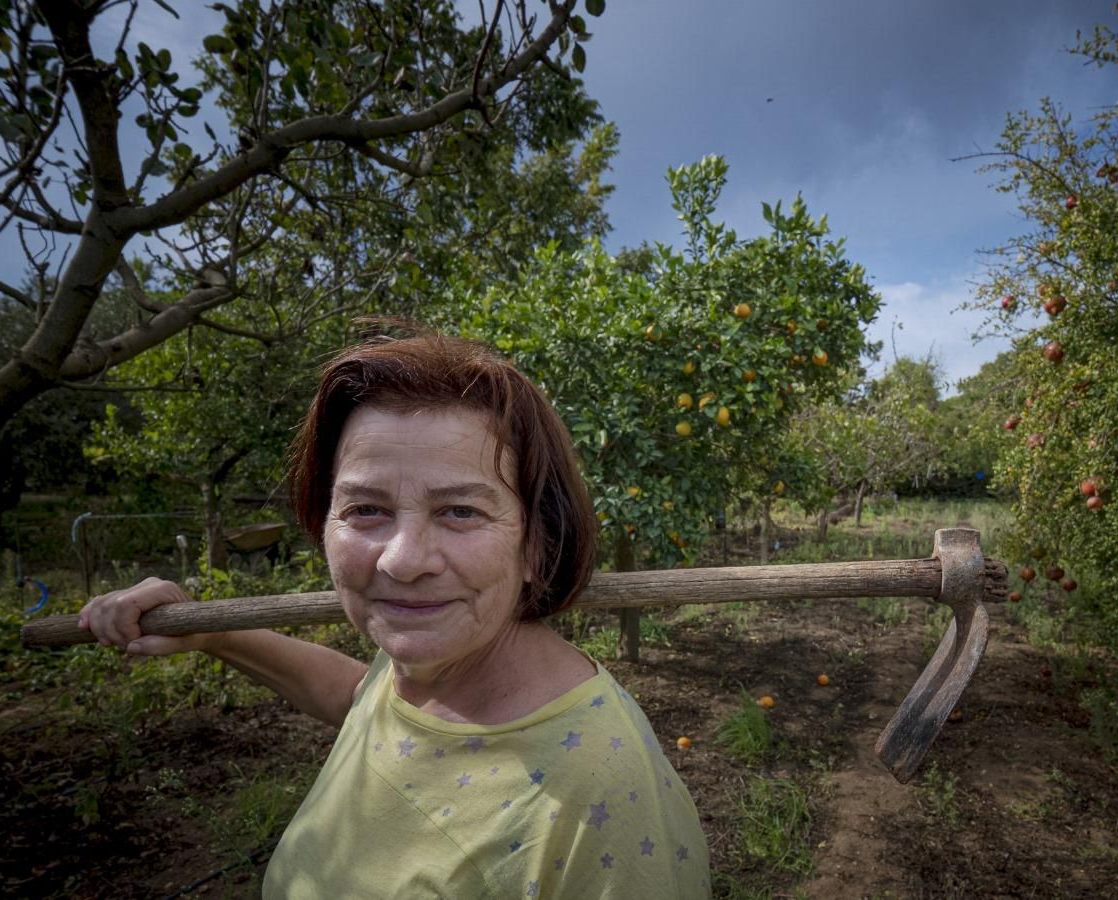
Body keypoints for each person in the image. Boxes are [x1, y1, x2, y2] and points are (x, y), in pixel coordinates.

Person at [79, 330, 712, 898]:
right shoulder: (426, 661)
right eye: (366, 510)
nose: (403, 561)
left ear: (536, 545)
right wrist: (209, 633)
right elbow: (361, 700)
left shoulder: (601, 797)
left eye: (460, 511)